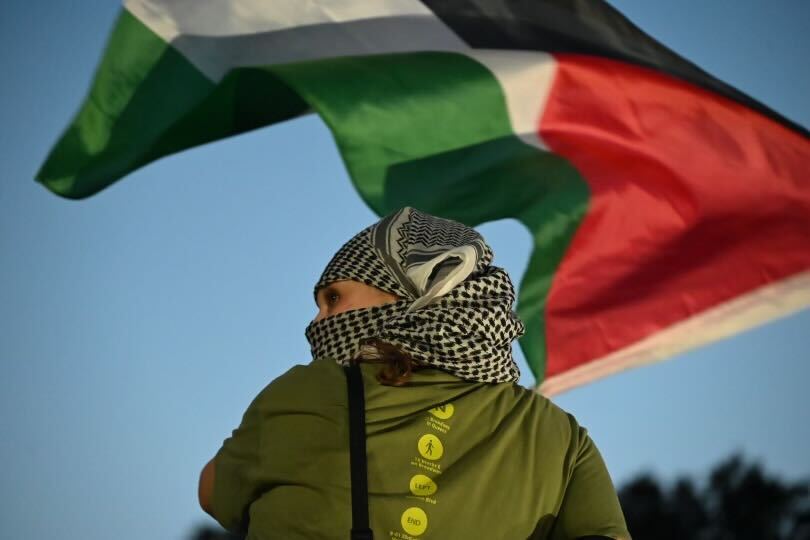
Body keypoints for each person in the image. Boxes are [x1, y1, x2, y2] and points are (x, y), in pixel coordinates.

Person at [198, 207, 630, 539]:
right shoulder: (558, 437)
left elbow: (213, 492)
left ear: (415, 296)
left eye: (333, 299)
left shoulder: (305, 393)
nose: (316, 322)